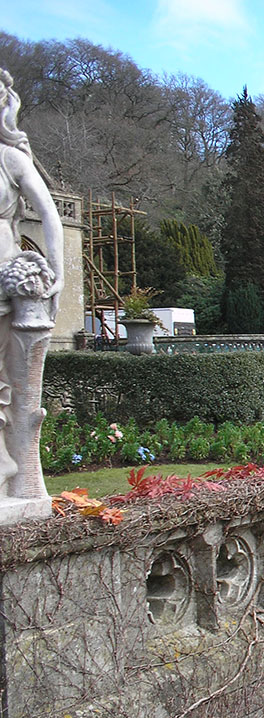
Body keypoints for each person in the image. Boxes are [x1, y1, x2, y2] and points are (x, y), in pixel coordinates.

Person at [0, 68, 64, 499]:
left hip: (6, 282)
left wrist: (55, 275)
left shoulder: (9, 159)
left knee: (12, 382)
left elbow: (51, 215)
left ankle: (18, 477)